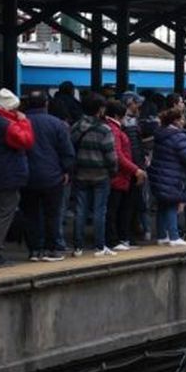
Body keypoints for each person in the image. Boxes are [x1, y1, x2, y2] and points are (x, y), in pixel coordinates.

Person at [0, 88, 35, 268]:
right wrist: (24, 122)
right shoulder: (5, 124)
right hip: (7, 173)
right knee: (4, 213)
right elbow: (26, 140)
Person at [22, 90, 75, 262]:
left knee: (31, 214)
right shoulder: (57, 124)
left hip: (27, 175)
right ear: (46, 104)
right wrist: (66, 170)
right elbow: (67, 151)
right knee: (52, 214)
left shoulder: (20, 122)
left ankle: (34, 250)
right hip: (53, 176)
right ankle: (52, 249)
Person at [70, 93, 118, 257]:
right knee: (99, 210)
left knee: (80, 210)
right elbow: (111, 156)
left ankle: (78, 247)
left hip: (81, 173)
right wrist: (113, 171)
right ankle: (99, 246)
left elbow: (71, 148)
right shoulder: (105, 130)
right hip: (101, 175)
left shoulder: (76, 126)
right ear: (100, 109)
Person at [148, 108, 186, 246]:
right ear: (176, 121)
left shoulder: (160, 134)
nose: (184, 121)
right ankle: (174, 237)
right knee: (173, 203)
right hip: (173, 175)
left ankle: (162, 235)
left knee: (163, 204)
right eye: (182, 118)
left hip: (160, 174)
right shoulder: (178, 136)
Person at [105, 100, 145, 250]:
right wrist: (136, 169)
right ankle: (114, 240)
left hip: (121, 174)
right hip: (119, 175)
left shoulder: (114, 128)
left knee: (119, 208)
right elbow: (119, 155)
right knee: (114, 209)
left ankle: (120, 238)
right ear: (117, 115)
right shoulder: (114, 130)